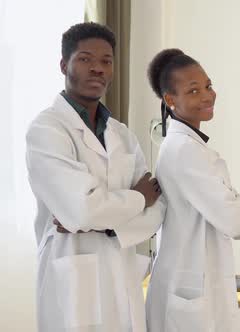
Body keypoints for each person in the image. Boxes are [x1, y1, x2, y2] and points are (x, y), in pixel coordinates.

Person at [25, 22, 165, 332]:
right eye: (86, 59)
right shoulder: (47, 131)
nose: (97, 69)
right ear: (65, 65)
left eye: (106, 61)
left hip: (121, 269)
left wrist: (107, 225)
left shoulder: (123, 135)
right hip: (73, 276)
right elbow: (82, 208)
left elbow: (158, 211)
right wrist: (138, 198)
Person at [145, 49, 240, 332]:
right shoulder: (184, 151)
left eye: (208, 86)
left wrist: (231, 198)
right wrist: (238, 199)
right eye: (193, 91)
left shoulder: (189, 147)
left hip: (195, 284)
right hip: (188, 289)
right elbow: (234, 220)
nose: (207, 95)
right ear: (170, 100)